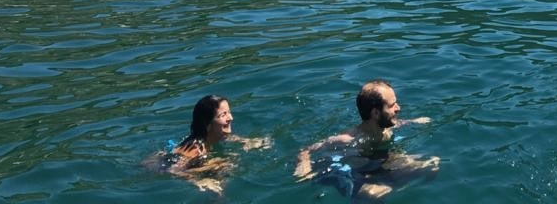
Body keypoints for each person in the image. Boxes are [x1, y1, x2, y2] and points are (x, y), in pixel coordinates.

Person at [294, 79, 439, 199]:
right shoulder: (347, 138)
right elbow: (306, 149)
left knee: (432, 163)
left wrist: (415, 121)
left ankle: (390, 187)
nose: (398, 108)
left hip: (382, 164)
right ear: (376, 113)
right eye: (392, 105)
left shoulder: (387, 126)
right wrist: (303, 166)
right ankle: (366, 193)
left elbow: (399, 122)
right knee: (371, 194)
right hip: (358, 173)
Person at [145, 94, 271, 193]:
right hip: (163, 166)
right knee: (221, 176)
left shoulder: (216, 135)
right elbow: (172, 170)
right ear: (208, 125)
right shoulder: (195, 149)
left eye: (229, 112)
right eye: (223, 115)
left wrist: (247, 141)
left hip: (187, 160)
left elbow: (227, 138)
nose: (230, 118)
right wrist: (199, 181)